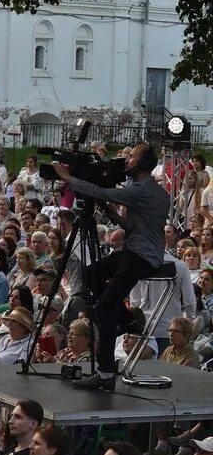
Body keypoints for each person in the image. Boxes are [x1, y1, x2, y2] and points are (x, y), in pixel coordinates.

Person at [50, 143, 168, 390]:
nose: (126, 160)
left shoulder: (141, 190)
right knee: (89, 274)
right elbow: (133, 226)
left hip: (141, 257)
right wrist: (111, 213)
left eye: (131, 156)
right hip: (136, 251)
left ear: (143, 164)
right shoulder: (151, 191)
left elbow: (101, 192)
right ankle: (127, 320)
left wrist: (66, 177)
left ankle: (104, 374)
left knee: (104, 309)